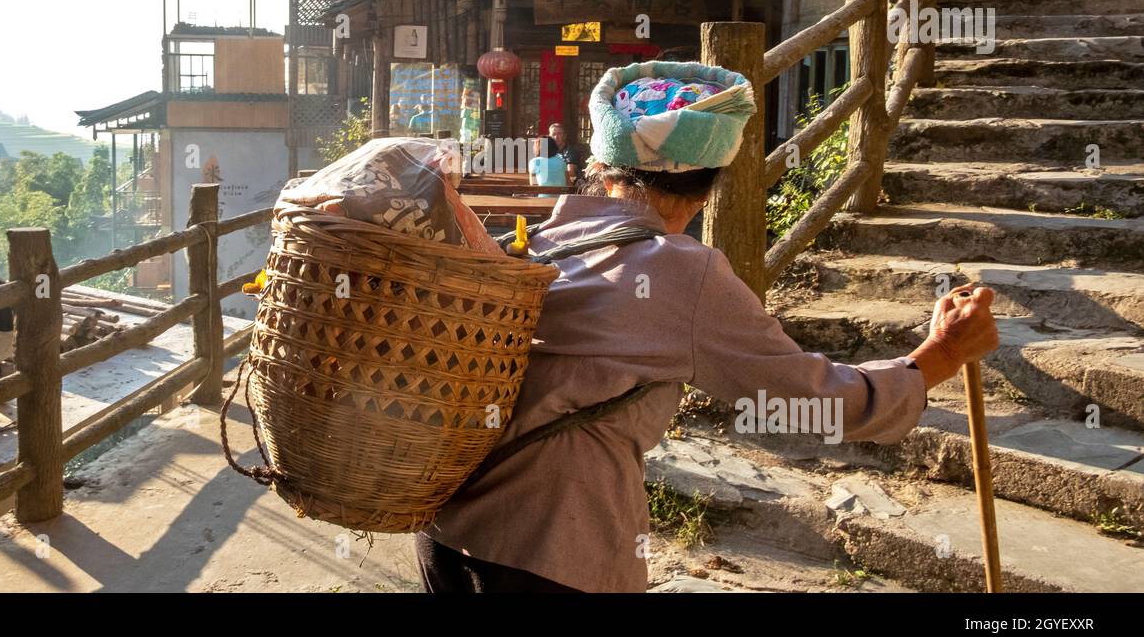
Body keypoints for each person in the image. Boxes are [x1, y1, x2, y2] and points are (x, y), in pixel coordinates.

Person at [414, 60, 999, 593]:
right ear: (711, 182)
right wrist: (940, 355)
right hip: (552, 548)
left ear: (599, 164)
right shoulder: (680, 271)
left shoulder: (541, 241)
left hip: (446, 529)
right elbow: (809, 398)